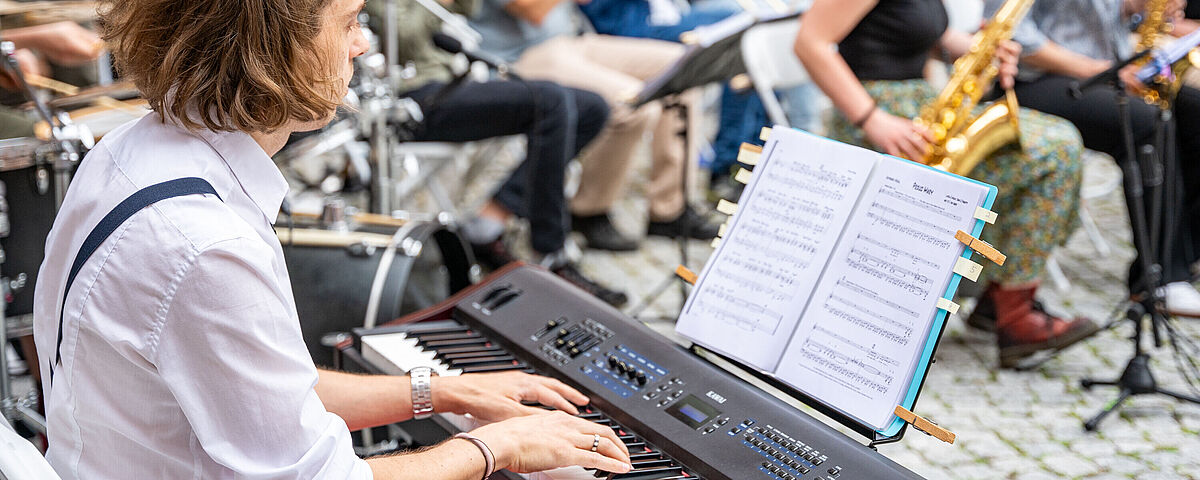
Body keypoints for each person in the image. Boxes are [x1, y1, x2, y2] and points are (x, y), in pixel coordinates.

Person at [31, 0, 633, 478]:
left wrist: (442, 391)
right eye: (348, 22)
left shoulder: (131, 151)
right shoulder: (207, 246)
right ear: (272, 47)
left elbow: (269, 395)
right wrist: (495, 448)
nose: (362, 43)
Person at [793, 0, 1099, 368]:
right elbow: (809, 43)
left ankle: (1001, 297)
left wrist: (980, 49)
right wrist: (874, 120)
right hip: (881, 119)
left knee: (1057, 140)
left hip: (917, 104)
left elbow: (921, 31)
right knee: (1054, 151)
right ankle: (1013, 309)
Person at [365, 0, 628, 306]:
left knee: (592, 108)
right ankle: (550, 253)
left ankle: (489, 223)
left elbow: (469, 10)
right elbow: (404, 36)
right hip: (410, 97)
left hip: (455, 79)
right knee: (551, 102)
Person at [989, 0, 1200, 318]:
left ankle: (1184, 255)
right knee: (1146, 123)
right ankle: (1160, 275)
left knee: (1196, 111)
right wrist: (1094, 69)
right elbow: (1014, 31)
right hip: (1033, 78)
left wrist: (1135, 8)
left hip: (1103, 70)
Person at [471, 0, 721, 251]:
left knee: (685, 67)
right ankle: (589, 210)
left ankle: (670, 210)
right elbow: (531, 10)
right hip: (519, 56)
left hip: (572, 40)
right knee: (636, 103)